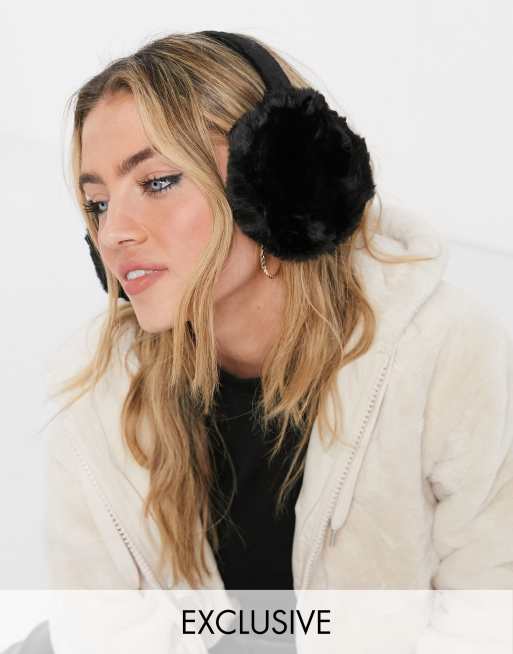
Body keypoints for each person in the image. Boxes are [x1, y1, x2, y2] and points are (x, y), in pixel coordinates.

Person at [29, 29, 512, 654]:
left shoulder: (448, 353)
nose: (113, 233)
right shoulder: (97, 395)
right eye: (97, 203)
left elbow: (489, 622)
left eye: (157, 182)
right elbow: (100, 634)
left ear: (276, 185)